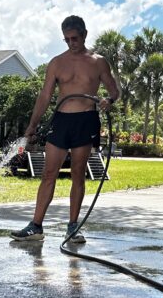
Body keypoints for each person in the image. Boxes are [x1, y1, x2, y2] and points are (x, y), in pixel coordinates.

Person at [10, 15, 121, 243]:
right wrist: (32, 125)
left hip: (86, 120)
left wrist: (108, 100)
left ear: (85, 35)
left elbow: (114, 90)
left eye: (75, 38)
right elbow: (44, 96)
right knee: (48, 174)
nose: (72, 43)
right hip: (61, 121)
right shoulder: (57, 63)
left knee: (77, 174)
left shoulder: (99, 62)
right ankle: (36, 226)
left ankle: (72, 227)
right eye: (67, 40)